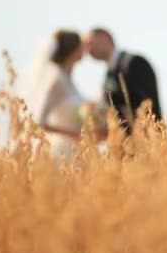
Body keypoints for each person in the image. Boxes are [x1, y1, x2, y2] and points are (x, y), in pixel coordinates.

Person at [21, 29, 105, 159]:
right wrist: (73, 134)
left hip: (79, 150)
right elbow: (38, 121)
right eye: (81, 45)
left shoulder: (67, 78)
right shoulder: (56, 79)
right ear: (73, 49)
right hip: (62, 153)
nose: (85, 49)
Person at [85, 27, 163, 134]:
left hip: (147, 138)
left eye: (90, 43)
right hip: (125, 143)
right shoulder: (108, 74)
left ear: (104, 37)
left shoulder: (135, 62)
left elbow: (145, 103)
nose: (88, 50)